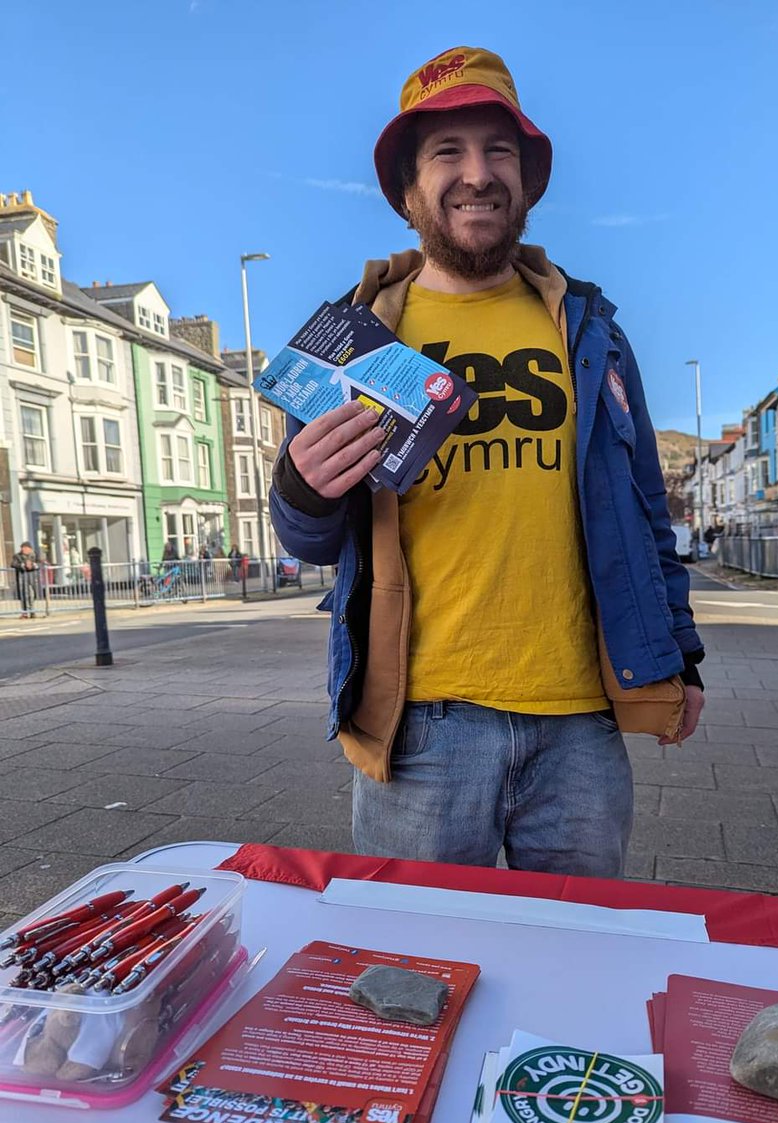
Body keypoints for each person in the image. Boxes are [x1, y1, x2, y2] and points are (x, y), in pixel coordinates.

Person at [269, 46, 705, 878]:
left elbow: (648, 508)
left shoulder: (591, 333)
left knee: (575, 968)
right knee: (419, 976)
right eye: (448, 153)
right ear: (407, 191)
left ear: (529, 180)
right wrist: (302, 485)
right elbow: (307, 536)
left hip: (583, 723)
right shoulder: (354, 343)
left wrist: (678, 655)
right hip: (423, 728)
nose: (478, 173)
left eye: (498, 150)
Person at [11, 541, 39, 618]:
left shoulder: (35, 555)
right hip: (22, 578)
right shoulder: (17, 556)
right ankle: (25, 612)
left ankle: (32, 611)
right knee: (23, 595)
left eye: (25, 548)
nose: (23, 549)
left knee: (32, 594)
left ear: (29, 549)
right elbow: (13, 564)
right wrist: (22, 565)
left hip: (32, 577)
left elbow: (39, 563)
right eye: (22, 548)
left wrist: (32, 565)